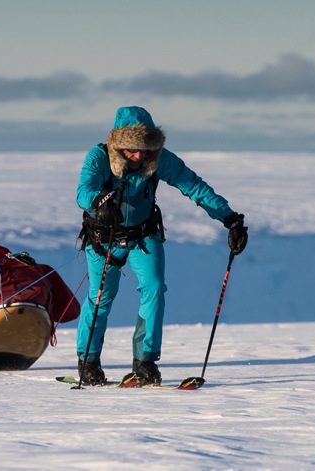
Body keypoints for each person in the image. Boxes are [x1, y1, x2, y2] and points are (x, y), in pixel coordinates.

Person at [75, 106, 248, 386]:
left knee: (154, 289)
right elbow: (84, 190)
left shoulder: (158, 158)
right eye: (133, 149)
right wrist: (98, 203)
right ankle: (88, 363)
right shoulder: (98, 157)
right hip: (102, 239)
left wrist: (229, 218)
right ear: (118, 144)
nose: (139, 155)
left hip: (143, 236)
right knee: (99, 300)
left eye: (145, 148)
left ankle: (145, 361)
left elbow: (194, 186)